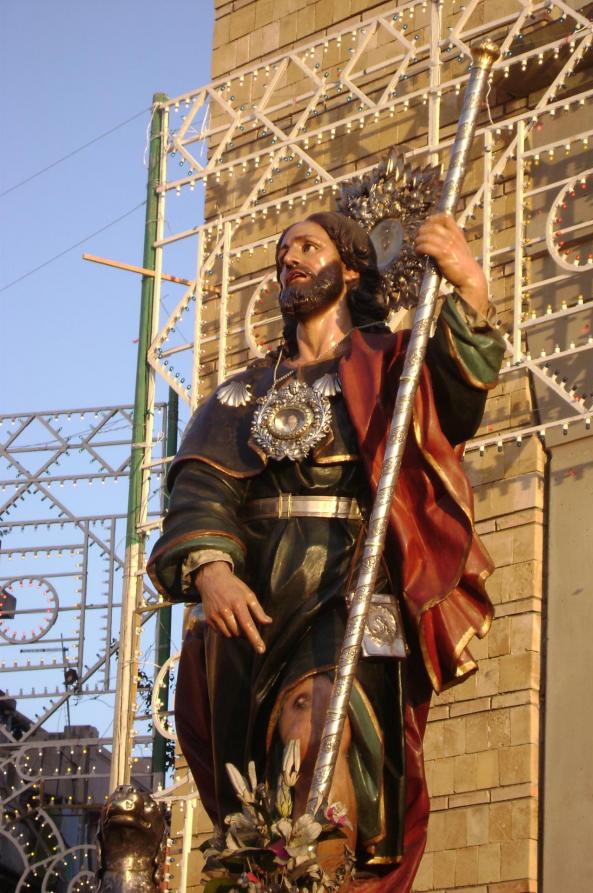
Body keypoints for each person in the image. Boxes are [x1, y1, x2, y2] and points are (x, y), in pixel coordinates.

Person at [147, 210, 505, 890]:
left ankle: (325, 875)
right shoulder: (239, 392)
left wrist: (468, 285)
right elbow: (198, 490)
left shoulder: (387, 362)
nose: (290, 260)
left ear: (348, 267)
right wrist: (213, 570)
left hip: (353, 578)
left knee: (319, 722)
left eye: (307, 247)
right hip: (255, 598)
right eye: (282, 252)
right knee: (257, 775)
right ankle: (278, 871)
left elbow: (453, 403)